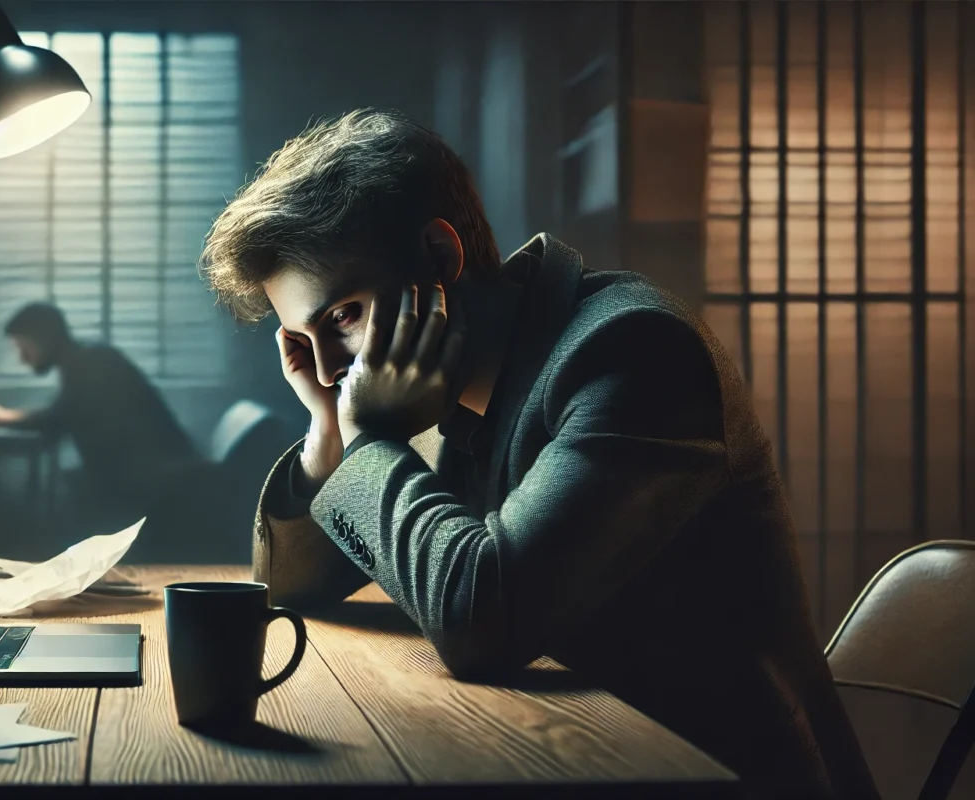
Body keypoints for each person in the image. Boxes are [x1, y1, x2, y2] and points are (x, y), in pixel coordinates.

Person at [198, 109, 878, 799]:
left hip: (723, 777)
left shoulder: (635, 350)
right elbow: (284, 583)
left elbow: (480, 622)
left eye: (342, 316)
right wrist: (328, 427)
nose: (331, 368)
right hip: (568, 761)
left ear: (440, 256)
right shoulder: (430, 386)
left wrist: (370, 437)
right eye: (301, 341)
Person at [0, 302, 200, 520]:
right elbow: (60, 413)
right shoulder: (88, 360)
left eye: (24, 346)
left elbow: (54, 421)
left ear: (44, 339)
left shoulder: (91, 364)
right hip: (153, 471)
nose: (23, 359)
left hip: (153, 479)